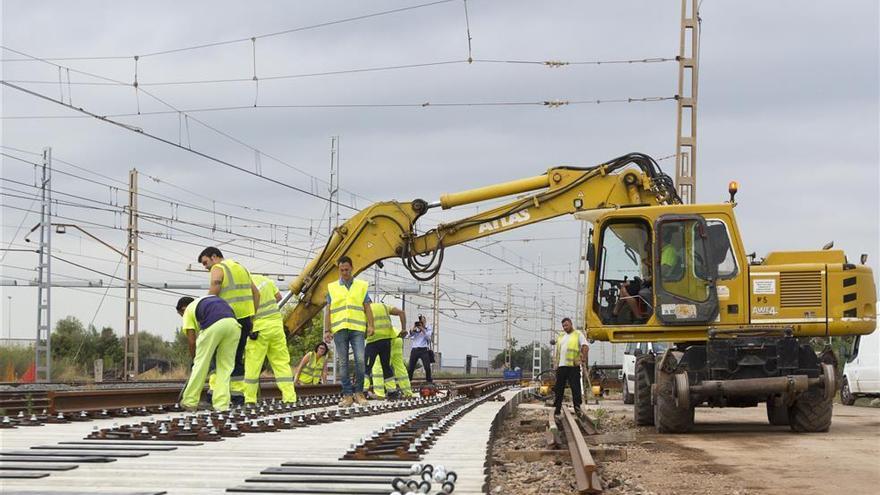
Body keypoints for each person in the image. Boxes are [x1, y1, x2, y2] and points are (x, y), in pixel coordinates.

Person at [198, 247, 260, 405]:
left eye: (206, 262)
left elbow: (215, 289)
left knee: (218, 357)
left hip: (225, 319)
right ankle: (237, 395)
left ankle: (214, 394)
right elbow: (256, 293)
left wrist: (205, 308)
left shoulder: (218, 268)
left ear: (214, 257)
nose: (206, 266)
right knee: (237, 358)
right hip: (245, 320)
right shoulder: (242, 268)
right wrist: (253, 315)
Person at [324, 255, 375, 407]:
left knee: (360, 360)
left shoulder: (361, 286)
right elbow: (329, 310)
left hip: (358, 329)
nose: (344, 272)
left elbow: (367, 307)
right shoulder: (332, 287)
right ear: (339, 270)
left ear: (352, 268)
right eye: (341, 270)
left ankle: (359, 393)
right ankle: (347, 396)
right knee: (343, 363)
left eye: (347, 269)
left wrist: (370, 325)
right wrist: (327, 330)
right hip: (339, 329)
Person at [175, 295, 241, 411]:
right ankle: (221, 404)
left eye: (181, 315)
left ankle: (190, 401)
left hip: (214, 325)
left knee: (200, 366)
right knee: (225, 367)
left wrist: (195, 359)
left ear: (183, 309)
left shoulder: (188, 310)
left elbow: (191, 341)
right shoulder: (206, 300)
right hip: (233, 325)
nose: (182, 317)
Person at [242, 274, 296, 404]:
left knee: (253, 365)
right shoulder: (267, 281)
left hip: (259, 329)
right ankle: (289, 398)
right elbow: (278, 297)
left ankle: (249, 399)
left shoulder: (244, 284)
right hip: (276, 327)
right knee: (281, 363)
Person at [364, 301, 406, 399]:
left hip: (372, 342)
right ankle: (392, 392)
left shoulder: (365, 310)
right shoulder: (383, 306)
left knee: (366, 367)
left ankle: (363, 390)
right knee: (386, 367)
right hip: (386, 341)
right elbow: (401, 312)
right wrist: (403, 329)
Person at [553, 317, 589, 417]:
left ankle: (577, 409)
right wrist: (555, 364)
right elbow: (557, 352)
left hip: (573, 366)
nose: (565, 327)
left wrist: (583, 359)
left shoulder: (578, 334)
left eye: (566, 325)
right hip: (561, 367)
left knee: (575, 388)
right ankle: (557, 409)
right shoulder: (560, 336)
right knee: (559, 388)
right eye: (563, 326)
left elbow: (585, 346)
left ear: (571, 324)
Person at [407, 315, 433, 383]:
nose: (421, 322)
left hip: (423, 349)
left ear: (425, 321)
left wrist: (423, 329)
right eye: (420, 321)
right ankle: (408, 381)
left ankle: (429, 381)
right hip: (414, 349)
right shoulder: (416, 328)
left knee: (427, 367)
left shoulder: (428, 328)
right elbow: (409, 336)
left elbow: (429, 338)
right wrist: (414, 328)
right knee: (410, 368)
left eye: (423, 321)